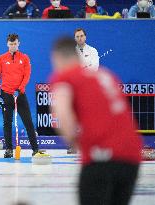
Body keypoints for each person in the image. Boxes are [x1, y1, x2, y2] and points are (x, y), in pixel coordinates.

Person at [50, 36, 142, 205]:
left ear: (57, 57)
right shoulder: (106, 75)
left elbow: (61, 113)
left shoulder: (66, 76)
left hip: (101, 156)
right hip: (132, 157)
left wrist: (74, 141)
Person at [0, 34, 43, 158]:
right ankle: (9, 149)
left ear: (19, 43)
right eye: (11, 44)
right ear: (7, 44)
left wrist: (20, 89)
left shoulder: (25, 58)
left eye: (15, 43)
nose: (13, 46)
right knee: (7, 122)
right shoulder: (1, 58)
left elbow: (27, 75)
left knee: (28, 122)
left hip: (20, 94)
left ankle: (35, 149)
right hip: (6, 94)